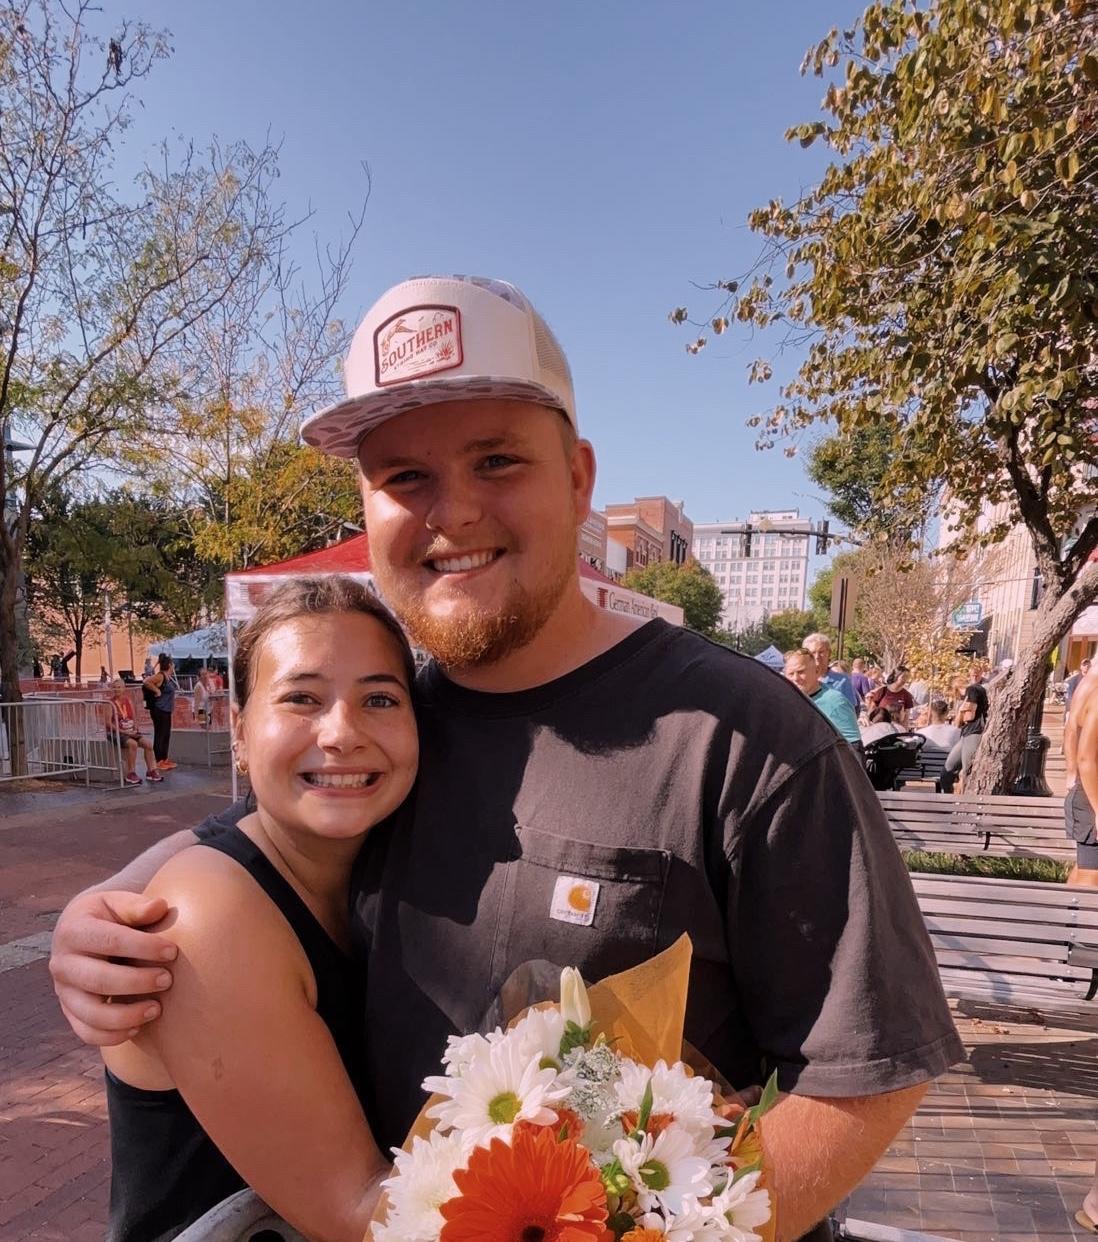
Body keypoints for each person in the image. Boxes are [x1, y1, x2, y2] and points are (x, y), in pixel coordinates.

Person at [49, 273, 962, 1242]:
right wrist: (95, 917)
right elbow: (248, 857)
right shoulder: (386, 735)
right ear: (367, 506)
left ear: (577, 480)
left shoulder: (744, 738)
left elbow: (867, 1077)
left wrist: (688, 1233)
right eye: (405, 478)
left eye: (496, 462)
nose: (454, 513)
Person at [102, 577, 416, 1241]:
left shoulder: (389, 864)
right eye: (302, 698)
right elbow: (356, 1209)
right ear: (240, 732)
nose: (341, 734)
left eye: (380, 698)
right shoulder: (209, 913)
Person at [1062, 661, 1098, 887]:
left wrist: (1070, 772)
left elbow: (1070, 729)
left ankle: (1066, 920)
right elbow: (1086, 759)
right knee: (1092, 877)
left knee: (1086, 871)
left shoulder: (1088, 686)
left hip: (1088, 796)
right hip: (1090, 800)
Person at [784, 648, 864, 747]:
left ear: (816, 671)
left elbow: (854, 750)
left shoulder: (835, 702)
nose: (795, 678)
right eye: (791, 674)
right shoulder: (785, 702)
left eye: (801, 672)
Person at [107, 680, 162, 786]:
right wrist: (124, 731)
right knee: (133, 744)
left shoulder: (128, 701)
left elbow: (135, 717)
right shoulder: (110, 703)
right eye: (114, 687)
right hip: (116, 732)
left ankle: (151, 770)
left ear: (123, 688)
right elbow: (108, 723)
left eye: (119, 687)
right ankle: (131, 772)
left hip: (130, 731)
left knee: (148, 744)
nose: (116, 689)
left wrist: (136, 729)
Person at [940, 684, 989, 794]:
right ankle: (948, 799)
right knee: (948, 768)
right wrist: (962, 711)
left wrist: (962, 711)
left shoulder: (972, 691)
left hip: (974, 733)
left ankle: (964, 802)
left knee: (966, 770)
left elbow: (969, 717)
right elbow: (958, 724)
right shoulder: (976, 692)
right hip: (967, 733)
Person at [142, 653, 179, 771]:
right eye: (172, 664)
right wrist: (157, 690)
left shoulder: (168, 678)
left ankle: (164, 758)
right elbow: (147, 682)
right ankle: (159, 760)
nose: (174, 667)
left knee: (166, 735)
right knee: (160, 734)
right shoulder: (161, 676)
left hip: (166, 710)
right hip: (159, 709)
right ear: (169, 665)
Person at [804, 632, 859, 707]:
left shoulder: (842, 681)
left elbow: (850, 710)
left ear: (829, 653)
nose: (817, 656)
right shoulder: (801, 679)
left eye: (821, 652)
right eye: (813, 652)